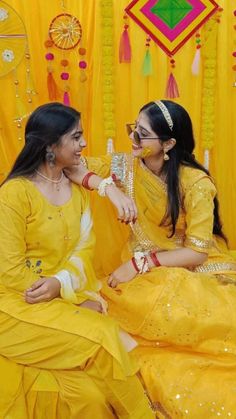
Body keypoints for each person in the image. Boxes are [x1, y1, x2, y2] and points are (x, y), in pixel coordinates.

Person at [67, 100, 236, 418]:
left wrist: (140, 263)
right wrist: (109, 189)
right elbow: (74, 166)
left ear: (169, 144)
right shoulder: (123, 168)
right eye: (133, 128)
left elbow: (197, 252)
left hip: (187, 268)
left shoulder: (195, 184)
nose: (133, 138)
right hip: (139, 279)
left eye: (142, 134)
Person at [0, 102, 155, 419]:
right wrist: (56, 294)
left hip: (61, 299)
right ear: (50, 146)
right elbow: (8, 269)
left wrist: (62, 285)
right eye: (76, 137)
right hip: (15, 307)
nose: (84, 144)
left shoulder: (77, 189)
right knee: (101, 337)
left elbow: (85, 249)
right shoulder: (14, 194)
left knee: (91, 397)